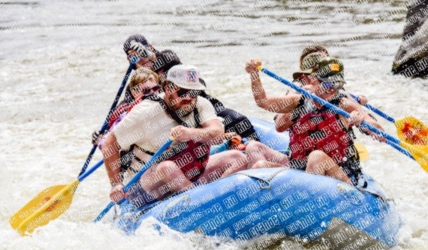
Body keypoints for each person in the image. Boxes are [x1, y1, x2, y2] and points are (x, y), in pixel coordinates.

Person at [101, 65, 247, 207]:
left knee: (237, 158)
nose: (189, 98)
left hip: (188, 173)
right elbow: (109, 143)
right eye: (183, 92)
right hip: (145, 185)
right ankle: (198, 205)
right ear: (167, 88)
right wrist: (116, 184)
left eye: (194, 92)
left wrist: (190, 133)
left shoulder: (201, 104)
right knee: (168, 168)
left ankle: (216, 200)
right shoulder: (144, 113)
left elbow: (216, 132)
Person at [244, 56, 385, 186]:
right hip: (301, 170)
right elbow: (263, 102)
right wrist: (254, 75)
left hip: (339, 174)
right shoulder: (299, 101)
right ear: (313, 81)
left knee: (316, 157)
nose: (333, 90)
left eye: (338, 85)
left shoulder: (343, 104)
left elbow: (376, 128)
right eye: (327, 84)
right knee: (259, 166)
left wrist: (361, 120)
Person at [122, 34, 260, 141]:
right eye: (132, 56)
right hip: (174, 119)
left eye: (140, 52)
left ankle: (258, 148)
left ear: (150, 47)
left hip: (199, 105)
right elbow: (123, 108)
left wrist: (149, 56)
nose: (139, 58)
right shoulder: (135, 85)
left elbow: (169, 59)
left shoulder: (167, 58)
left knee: (238, 119)